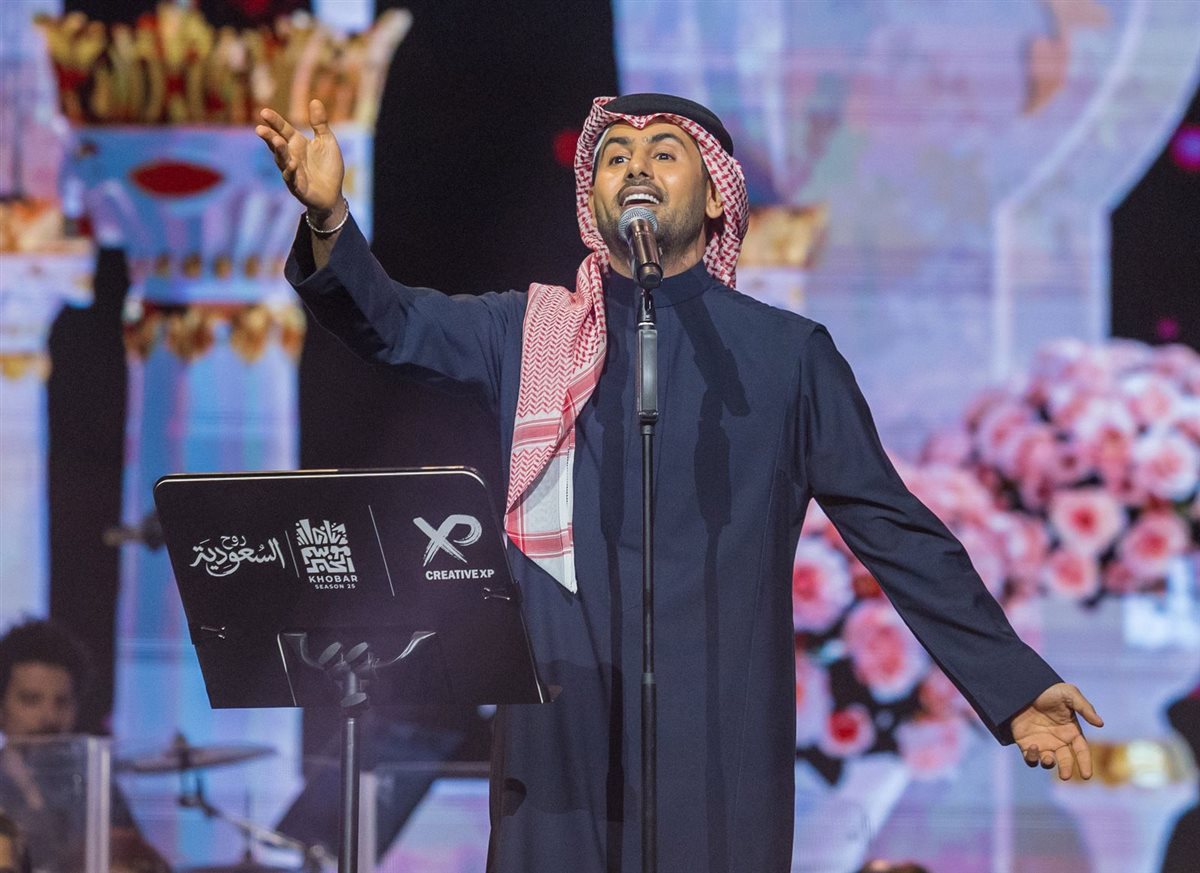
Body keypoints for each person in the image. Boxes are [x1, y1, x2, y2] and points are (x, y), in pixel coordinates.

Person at [256, 92, 1105, 873]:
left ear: (715, 199)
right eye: (615, 156)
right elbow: (395, 325)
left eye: (664, 152)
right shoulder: (528, 334)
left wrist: (1012, 684)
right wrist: (329, 218)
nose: (635, 166)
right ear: (591, 199)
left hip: (720, 752)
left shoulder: (786, 357)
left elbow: (896, 530)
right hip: (558, 744)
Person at [0, 620, 168, 873]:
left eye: (62, 702)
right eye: (31, 700)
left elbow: (132, 858)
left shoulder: (96, 782)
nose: (49, 717)